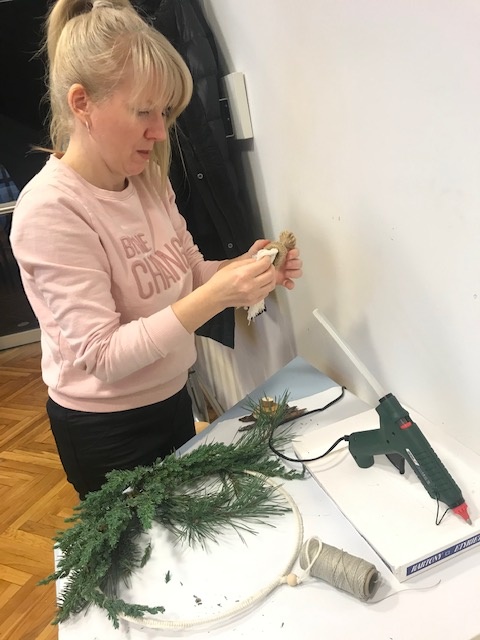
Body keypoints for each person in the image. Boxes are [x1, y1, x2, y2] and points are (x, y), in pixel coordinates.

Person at [10, 0, 303, 500]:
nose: (160, 131)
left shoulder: (146, 179)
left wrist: (244, 271)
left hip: (171, 399)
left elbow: (189, 272)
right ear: (82, 104)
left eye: (164, 112)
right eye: (143, 111)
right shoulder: (51, 210)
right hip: (107, 431)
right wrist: (217, 295)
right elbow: (103, 356)